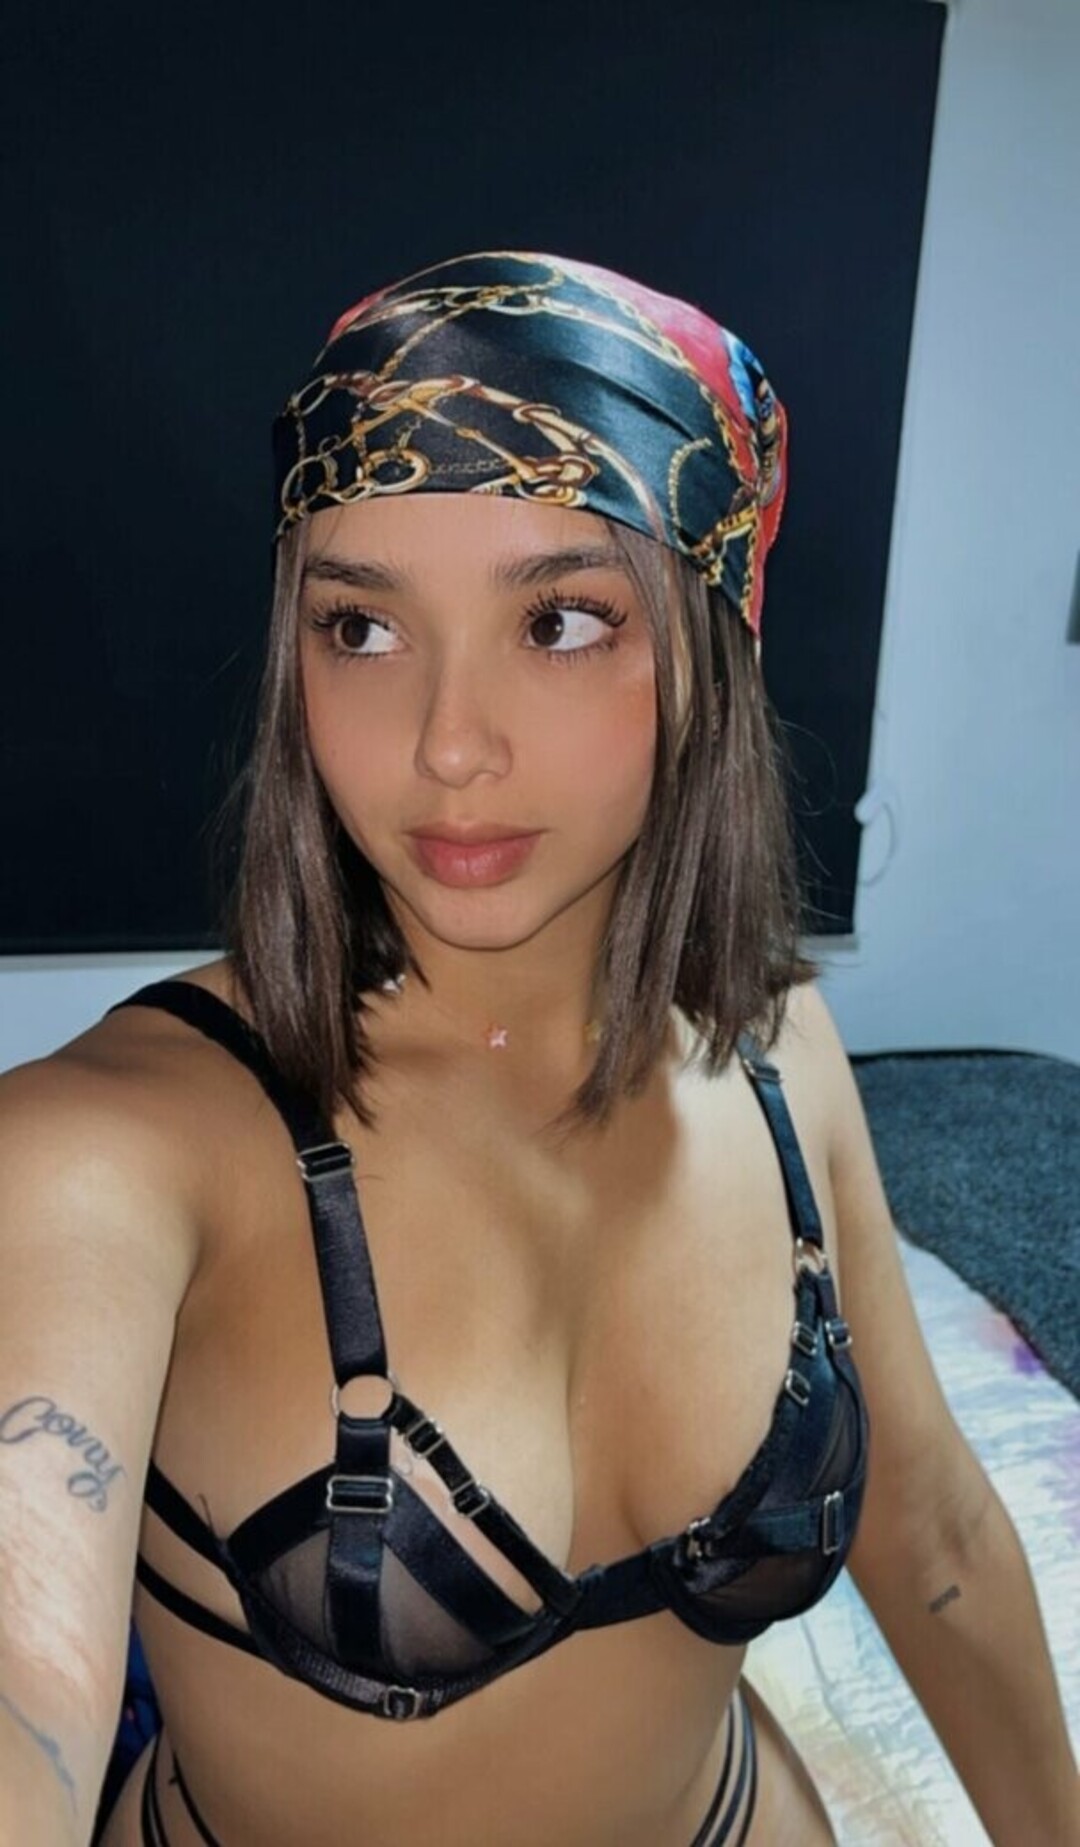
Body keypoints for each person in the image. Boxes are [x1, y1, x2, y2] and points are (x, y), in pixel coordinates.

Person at [0, 250, 1075, 1847]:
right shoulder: (111, 1148)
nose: (447, 742)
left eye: (561, 620)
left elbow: (937, 1544)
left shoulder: (779, 1051)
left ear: (710, 645)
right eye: (361, 626)